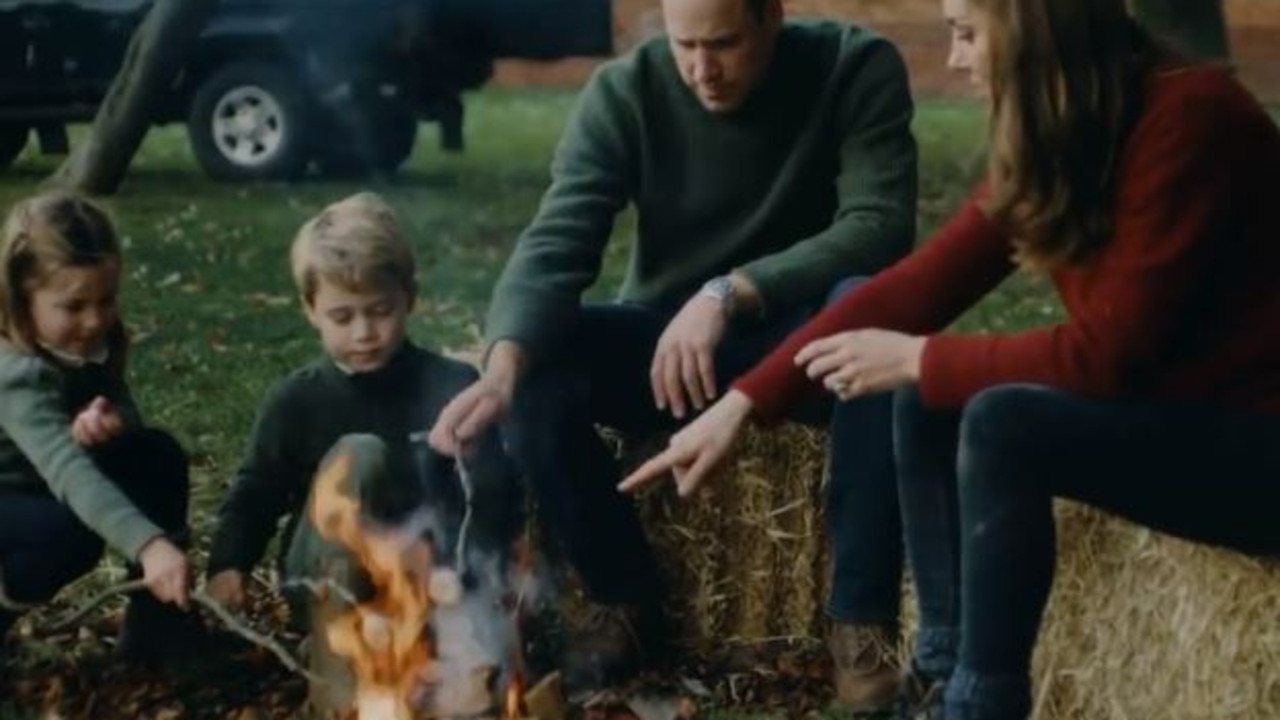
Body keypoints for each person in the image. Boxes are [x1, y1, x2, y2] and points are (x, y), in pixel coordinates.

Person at [621, 0, 1280, 718]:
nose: (957, 58)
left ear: (1033, 29)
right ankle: (938, 673)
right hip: (1176, 413)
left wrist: (922, 359)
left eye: (967, 33)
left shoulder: (1191, 119)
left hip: (1256, 444)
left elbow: (1109, 357)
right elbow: (917, 287)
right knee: (932, 394)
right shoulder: (1071, 127)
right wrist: (743, 403)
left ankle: (980, 704)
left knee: (998, 420)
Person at [429, 0, 918, 702]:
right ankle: (621, 598)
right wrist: (501, 369)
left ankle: (861, 623)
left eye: (722, 44)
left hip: (801, 335)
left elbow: (879, 226)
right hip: (666, 349)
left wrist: (731, 291)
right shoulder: (625, 90)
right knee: (539, 364)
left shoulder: (853, 66)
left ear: (771, 18)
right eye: (684, 44)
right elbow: (558, 241)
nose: (701, 69)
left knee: (871, 312)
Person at [205, 193, 521, 629]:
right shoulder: (296, 402)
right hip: (325, 582)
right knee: (359, 453)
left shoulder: (453, 387)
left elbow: (493, 492)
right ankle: (337, 668)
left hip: (433, 581)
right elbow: (255, 492)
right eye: (342, 317)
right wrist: (228, 564)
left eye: (379, 311)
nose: (364, 333)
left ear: (408, 297)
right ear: (311, 310)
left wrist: (494, 574)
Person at [0, 191, 200, 665]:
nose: (94, 320)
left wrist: (111, 422)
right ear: (23, 300)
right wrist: (150, 544)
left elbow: (125, 413)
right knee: (68, 532)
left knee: (156, 453)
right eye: (73, 306)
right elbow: (68, 471)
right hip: (12, 499)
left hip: (41, 485)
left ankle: (158, 630)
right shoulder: (16, 375)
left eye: (106, 300)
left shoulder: (90, 340)